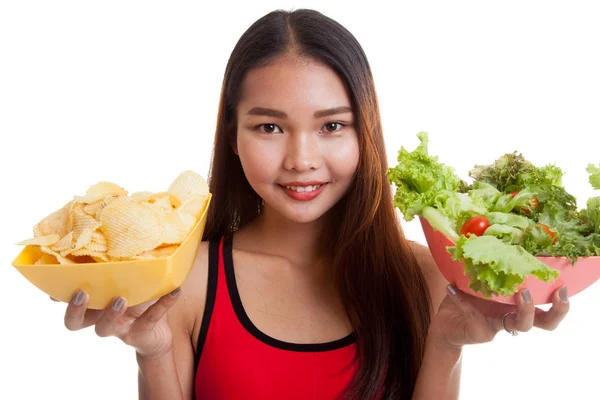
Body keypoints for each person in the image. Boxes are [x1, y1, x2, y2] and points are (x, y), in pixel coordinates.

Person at [58, 8, 570, 400]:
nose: (302, 159)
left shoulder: (428, 275)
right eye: (269, 127)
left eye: (332, 126)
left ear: (365, 135)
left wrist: (447, 345)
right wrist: (154, 357)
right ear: (232, 137)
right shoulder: (184, 281)